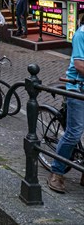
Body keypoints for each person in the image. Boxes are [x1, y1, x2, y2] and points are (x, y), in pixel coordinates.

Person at [47, 13, 84, 193]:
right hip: (77, 88)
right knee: (74, 132)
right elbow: (79, 65)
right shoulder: (81, 34)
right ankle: (57, 172)